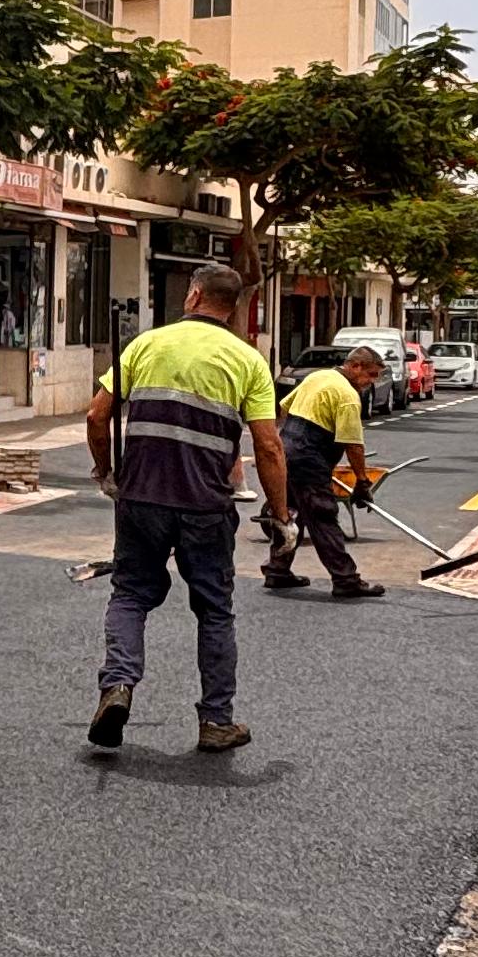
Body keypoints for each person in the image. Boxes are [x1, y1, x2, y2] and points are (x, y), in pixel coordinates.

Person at [85, 263, 293, 753]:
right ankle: (216, 721)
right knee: (215, 612)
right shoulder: (247, 361)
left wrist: (106, 472)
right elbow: (268, 447)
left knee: (131, 595)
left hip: (141, 499)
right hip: (205, 506)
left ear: (194, 295)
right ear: (233, 306)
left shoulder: (146, 345)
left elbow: (98, 416)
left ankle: (117, 686)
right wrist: (279, 517)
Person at [261, 346, 388, 599]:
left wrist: (287, 446)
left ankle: (278, 570)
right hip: (308, 456)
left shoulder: (318, 377)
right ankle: (346, 579)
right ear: (355, 367)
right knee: (323, 515)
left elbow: (285, 407)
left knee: (288, 514)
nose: (371, 382)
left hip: (287, 450)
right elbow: (353, 444)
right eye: (371, 375)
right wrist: (362, 482)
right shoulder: (348, 396)